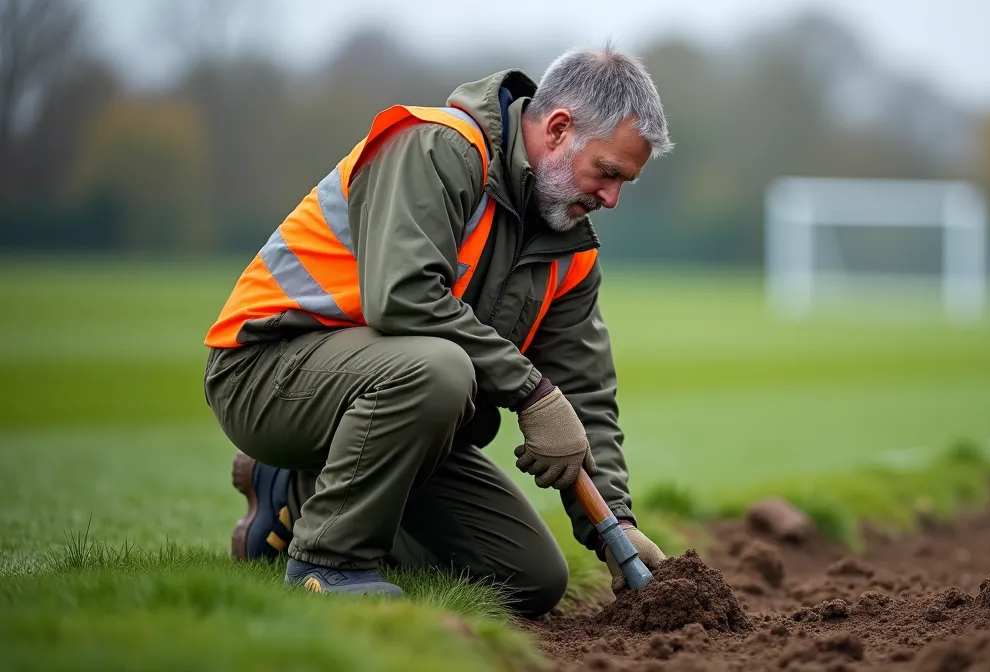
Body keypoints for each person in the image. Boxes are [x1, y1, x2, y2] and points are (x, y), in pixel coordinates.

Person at [201, 44, 673, 619]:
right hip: (264, 372)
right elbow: (402, 299)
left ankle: (297, 498)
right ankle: (326, 564)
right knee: (439, 371)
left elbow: (585, 393)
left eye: (625, 182)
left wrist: (615, 525)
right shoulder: (438, 146)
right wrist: (529, 391)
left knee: (528, 581)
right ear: (557, 128)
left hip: (397, 405)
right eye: (607, 172)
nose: (612, 199)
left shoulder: (570, 250)